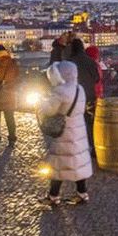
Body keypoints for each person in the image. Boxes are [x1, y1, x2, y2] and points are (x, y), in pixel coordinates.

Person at [37, 61, 93, 206]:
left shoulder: (61, 91)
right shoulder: (79, 88)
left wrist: (42, 102)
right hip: (78, 129)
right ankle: (82, 193)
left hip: (65, 132)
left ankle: (53, 196)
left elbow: (50, 110)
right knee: (77, 162)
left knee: (58, 164)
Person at [69, 38, 100, 151]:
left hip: (75, 98)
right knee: (91, 122)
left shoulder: (69, 63)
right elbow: (97, 79)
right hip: (90, 96)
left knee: (77, 123)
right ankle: (94, 146)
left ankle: (80, 147)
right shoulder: (91, 61)